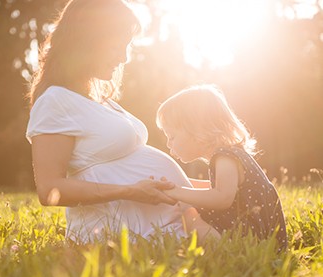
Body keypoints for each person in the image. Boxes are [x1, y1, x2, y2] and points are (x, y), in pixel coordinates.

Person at [26, 0, 192, 244]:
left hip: (160, 227)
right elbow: (49, 190)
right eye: (117, 46)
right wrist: (130, 191)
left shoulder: (99, 100)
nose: (124, 58)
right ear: (88, 41)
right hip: (115, 236)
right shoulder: (55, 101)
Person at [156, 85, 288, 251]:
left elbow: (223, 197)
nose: (168, 144)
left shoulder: (224, 157)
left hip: (246, 240)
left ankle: (223, 250)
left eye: (172, 136)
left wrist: (176, 192)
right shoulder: (231, 153)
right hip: (257, 237)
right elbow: (223, 189)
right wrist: (182, 183)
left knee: (187, 213)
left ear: (195, 129)